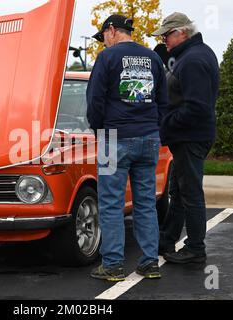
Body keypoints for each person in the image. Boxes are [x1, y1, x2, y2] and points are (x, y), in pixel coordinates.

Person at [87, 14, 168, 281]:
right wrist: (152, 126)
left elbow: (95, 100)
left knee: (111, 203)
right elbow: (163, 100)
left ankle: (113, 265)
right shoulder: (153, 58)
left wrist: (101, 129)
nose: (104, 44)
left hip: (114, 138)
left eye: (104, 38)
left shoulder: (107, 58)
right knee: (145, 203)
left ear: (112, 30)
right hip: (148, 138)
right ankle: (149, 263)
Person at [151, 13, 220, 264]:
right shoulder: (193, 55)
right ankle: (167, 239)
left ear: (182, 32)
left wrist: (167, 122)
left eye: (167, 35)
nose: (164, 41)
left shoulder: (192, 60)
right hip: (189, 136)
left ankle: (195, 249)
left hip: (191, 137)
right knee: (179, 192)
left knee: (190, 193)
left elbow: (197, 107)